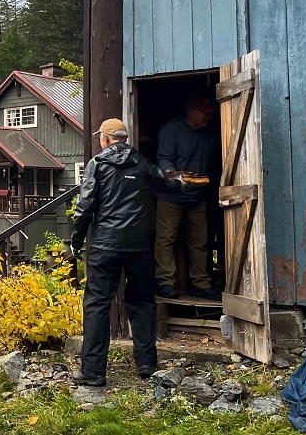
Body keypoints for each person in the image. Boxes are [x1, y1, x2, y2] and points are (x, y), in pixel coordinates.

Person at [69, 118, 192, 387]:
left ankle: (92, 372)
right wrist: (191, 178)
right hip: (139, 245)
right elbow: (168, 182)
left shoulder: (97, 164)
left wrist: (75, 240)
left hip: (104, 245)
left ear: (104, 139)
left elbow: (85, 205)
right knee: (142, 303)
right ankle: (147, 363)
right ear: (123, 139)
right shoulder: (142, 163)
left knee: (97, 305)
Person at [154, 96, 220, 300]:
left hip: (198, 196)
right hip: (170, 196)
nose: (209, 116)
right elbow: (164, 160)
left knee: (200, 241)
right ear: (191, 111)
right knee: (166, 239)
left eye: (210, 113)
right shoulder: (170, 130)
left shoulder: (209, 135)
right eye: (205, 113)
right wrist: (177, 177)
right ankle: (165, 283)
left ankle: (201, 283)